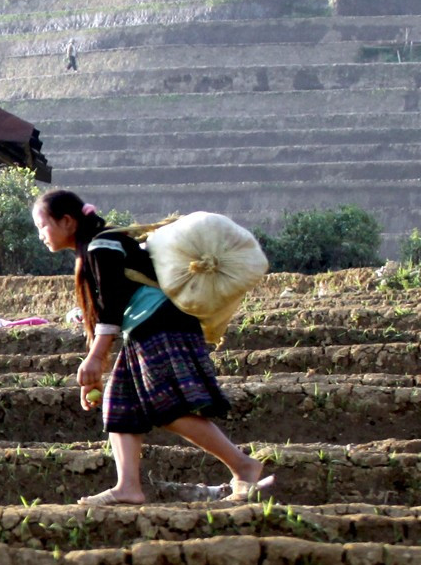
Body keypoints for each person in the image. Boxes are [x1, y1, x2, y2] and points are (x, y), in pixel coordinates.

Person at [31, 190, 272, 506]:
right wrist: (95, 367)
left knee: (167, 407)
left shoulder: (101, 245)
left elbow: (111, 307)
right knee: (121, 407)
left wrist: (96, 357)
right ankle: (128, 486)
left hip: (160, 324)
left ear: (67, 221)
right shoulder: (96, 246)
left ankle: (243, 466)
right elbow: (105, 312)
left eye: (42, 226)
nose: (40, 236)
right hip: (148, 326)